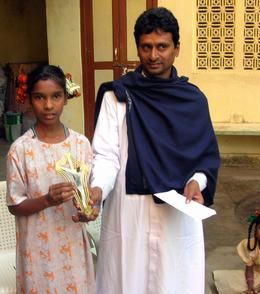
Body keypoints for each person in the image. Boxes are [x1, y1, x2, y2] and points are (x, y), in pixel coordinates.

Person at [91, 7, 220, 294]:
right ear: (138, 48)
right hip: (130, 210)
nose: (153, 56)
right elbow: (106, 155)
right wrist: (97, 188)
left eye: (162, 47)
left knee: (174, 281)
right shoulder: (119, 95)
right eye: (146, 47)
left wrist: (197, 182)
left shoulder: (193, 100)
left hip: (178, 211)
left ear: (177, 49)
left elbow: (205, 158)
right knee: (127, 280)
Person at [6, 65, 98, 293]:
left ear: (65, 98)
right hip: (37, 252)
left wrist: (89, 209)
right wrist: (46, 200)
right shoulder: (20, 150)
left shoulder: (80, 145)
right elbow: (14, 206)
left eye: (56, 96)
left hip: (73, 247)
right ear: (28, 100)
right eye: (40, 97)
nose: (48, 106)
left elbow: (87, 195)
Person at [213, 212, 260, 294]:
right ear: (255, 229)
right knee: (222, 277)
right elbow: (249, 270)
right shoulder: (249, 244)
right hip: (255, 275)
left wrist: (257, 289)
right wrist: (250, 287)